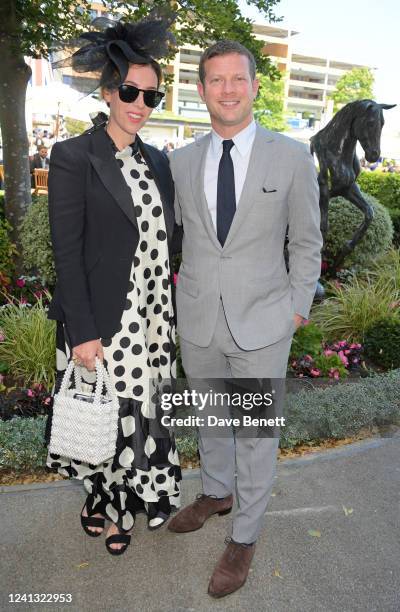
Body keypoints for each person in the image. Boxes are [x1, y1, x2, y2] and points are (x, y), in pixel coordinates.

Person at [168, 40, 322, 597]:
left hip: (264, 322)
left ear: (256, 86)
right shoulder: (181, 162)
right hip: (200, 319)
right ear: (202, 89)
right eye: (216, 80)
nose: (228, 89)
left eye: (238, 79)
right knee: (209, 414)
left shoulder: (292, 156)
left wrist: (297, 306)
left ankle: (245, 535)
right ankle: (215, 491)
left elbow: (307, 242)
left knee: (256, 433)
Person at [46, 14, 182, 556]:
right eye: (129, 90)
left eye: (151, 95)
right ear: (108, 91)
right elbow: (67, 252)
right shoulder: (74, 157)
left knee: (141, 412)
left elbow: (166, 240)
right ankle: (109, 503)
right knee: (110, 415)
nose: (140, 104)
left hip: (152, 318)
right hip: (104, 319)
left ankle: (131, 493)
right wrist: (81, 331)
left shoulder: (158, 162)